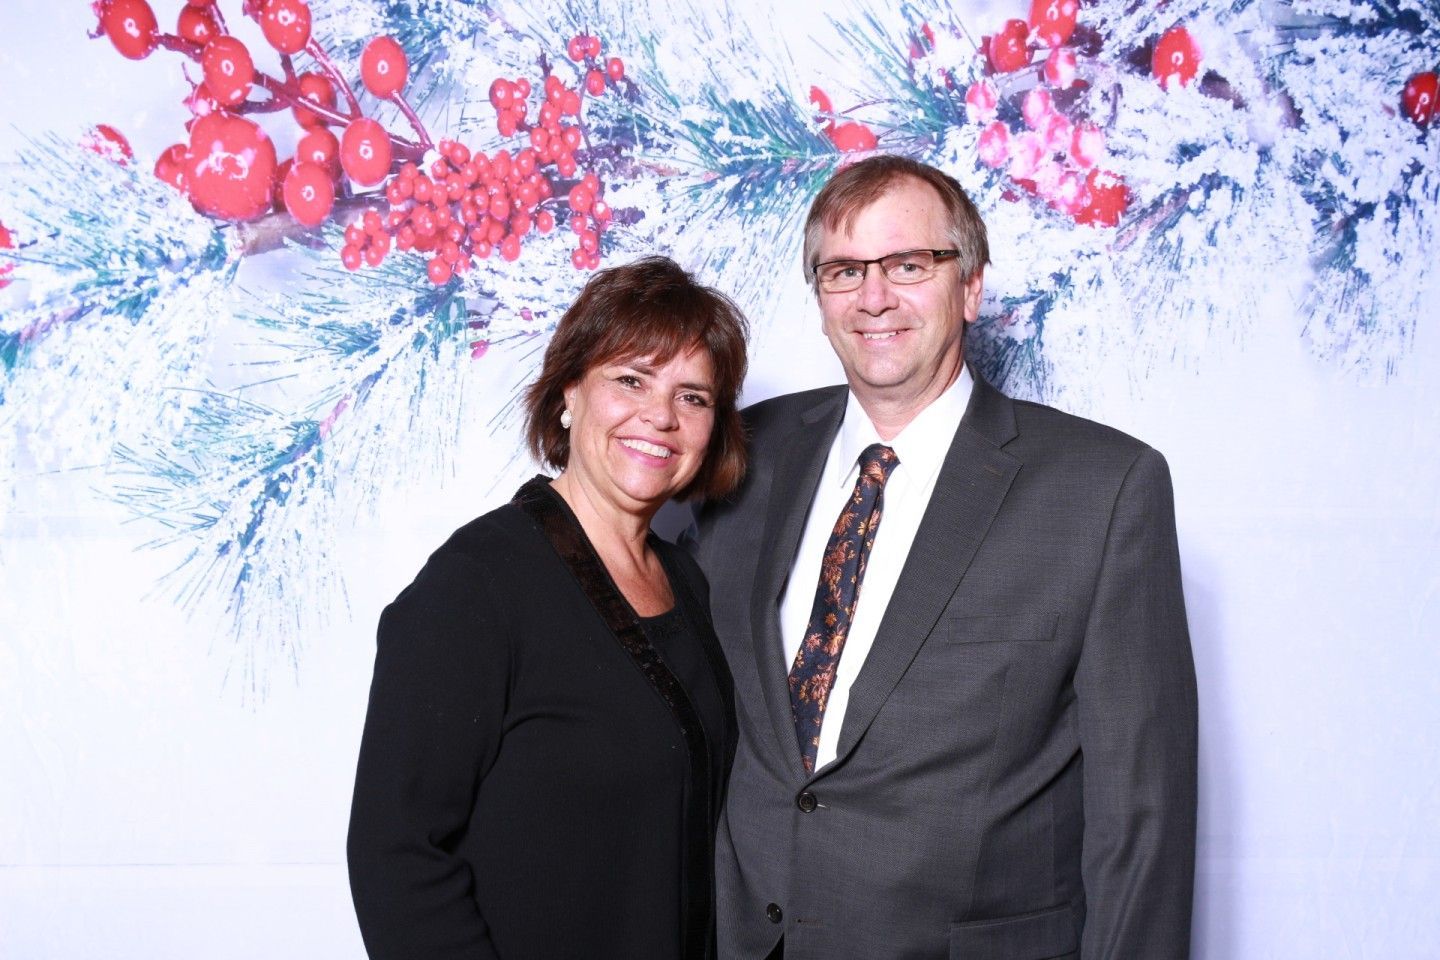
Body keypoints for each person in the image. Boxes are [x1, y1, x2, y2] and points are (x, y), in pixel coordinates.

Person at [688, 156, 1197, 959]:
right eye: (844, 270)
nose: (874, 297)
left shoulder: (1103, 488)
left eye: (908, 265)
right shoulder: (743, 456)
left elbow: (1143, 815)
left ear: (970, 287)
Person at [348, 256, 749, 960]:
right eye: (631, 379)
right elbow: (396, 854)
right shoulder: (477, 584)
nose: (660, 415)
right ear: (570, 392)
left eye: (693, 396)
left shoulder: (687, 580)